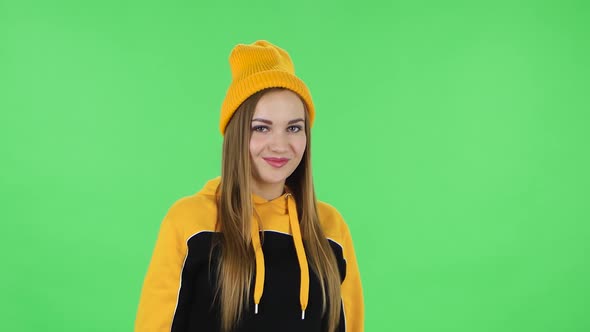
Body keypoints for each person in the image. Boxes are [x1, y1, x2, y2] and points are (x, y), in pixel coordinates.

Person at [134, 40, 364, 332]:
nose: (280, 145)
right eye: (261, 127)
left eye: (293, 128)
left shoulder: (330, 228)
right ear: (236, 134)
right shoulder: (190, 222)